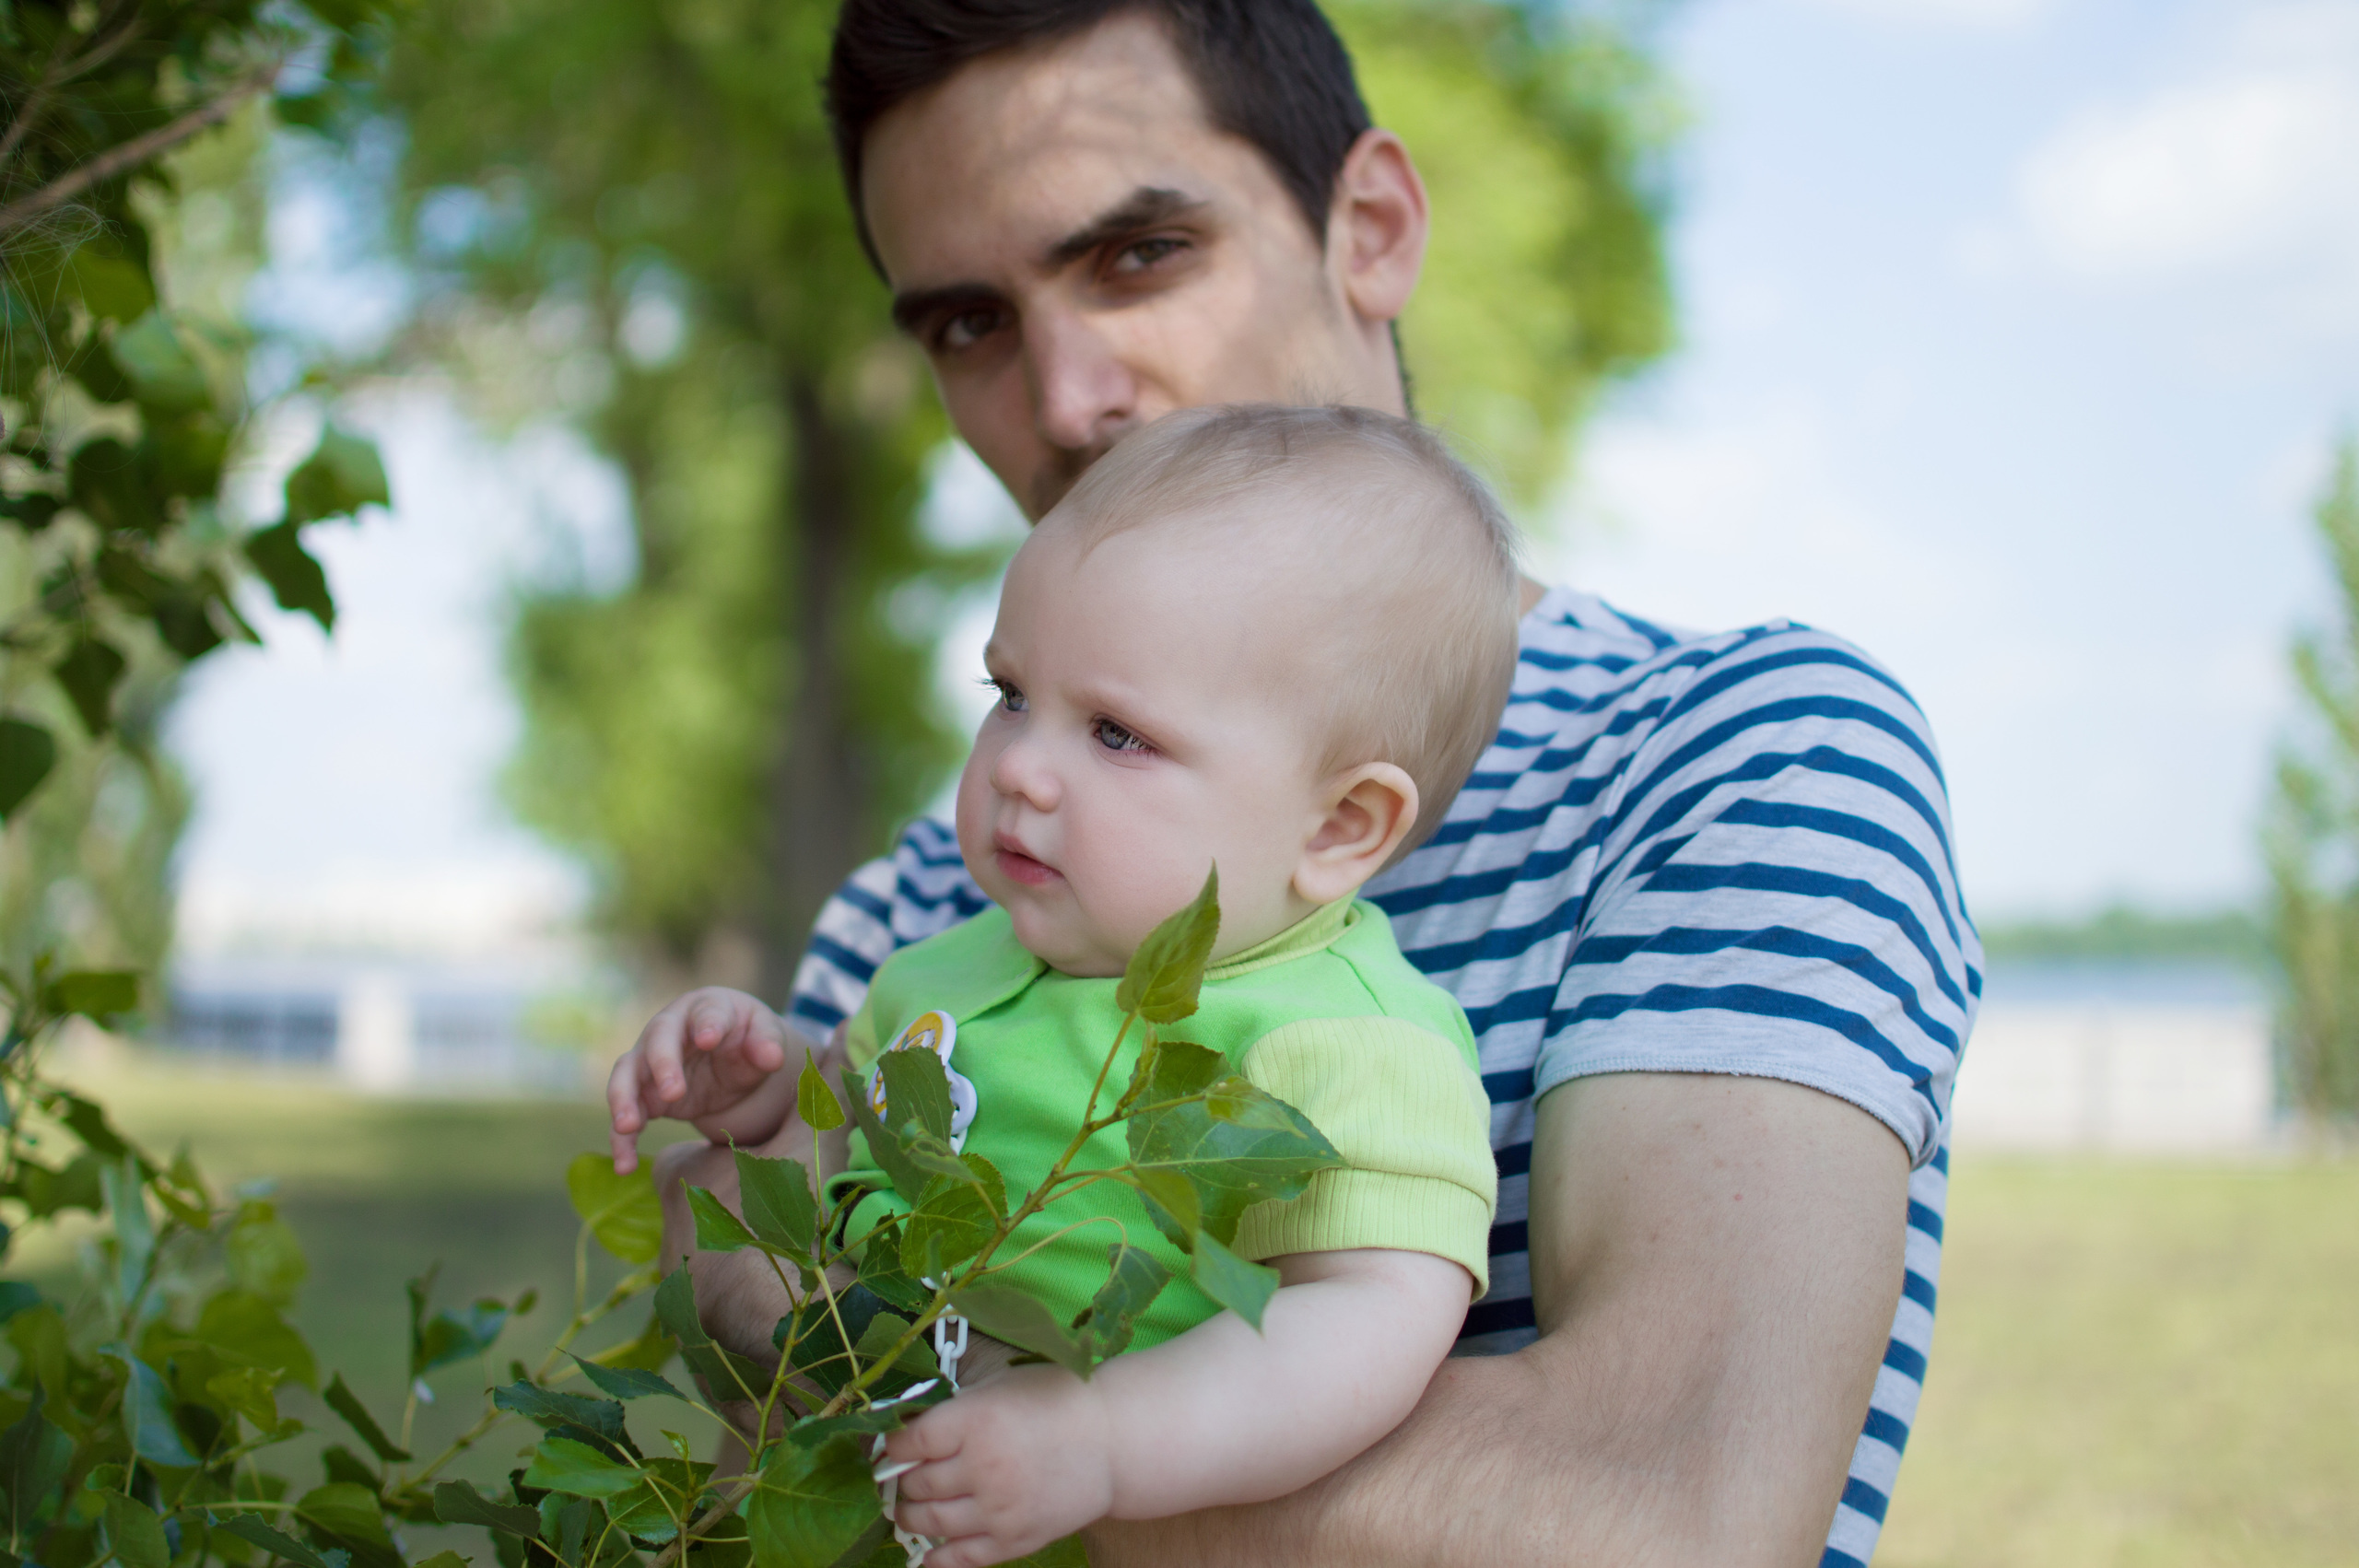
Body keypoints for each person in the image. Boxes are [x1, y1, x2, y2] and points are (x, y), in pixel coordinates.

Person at [618, 3, 1977, 1564]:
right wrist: (749, 1233)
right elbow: (780, 1514)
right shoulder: (934, 899)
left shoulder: (1733, 757)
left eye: (1138, 256)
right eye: (968, 325)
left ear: (1375, 229)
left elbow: (1663, 1510)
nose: (1066, 399)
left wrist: (976, 1419)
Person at [615, 404, 1517, 1567]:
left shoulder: (1348, 1040)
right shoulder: (951, 962)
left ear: (1340, 824)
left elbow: (1359, 1328)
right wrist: (764, 1085)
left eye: (1118, 733)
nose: (1021, 768)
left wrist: (1102, 1440)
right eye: (1010, 696)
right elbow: (831, 1134)